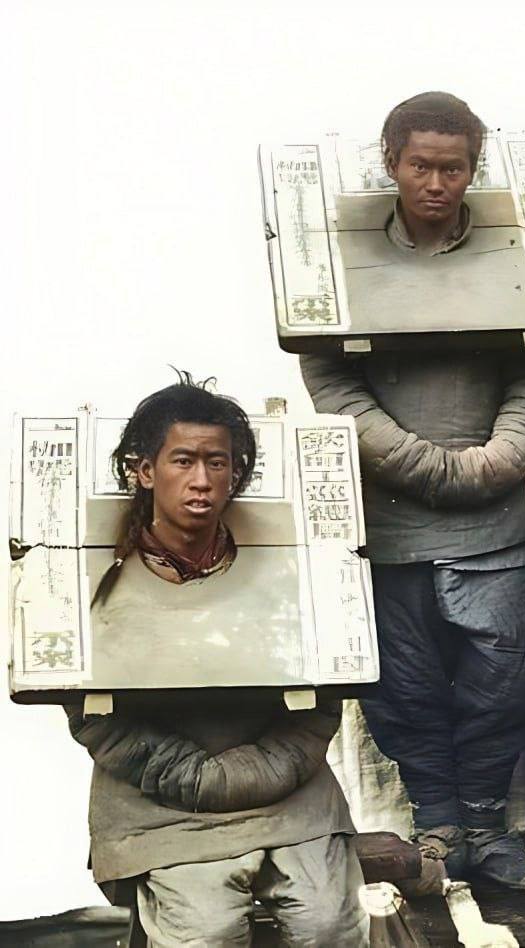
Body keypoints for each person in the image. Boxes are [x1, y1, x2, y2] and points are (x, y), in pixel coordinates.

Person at [301, 91, 525, 890]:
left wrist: (496, 461)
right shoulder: (339, 263)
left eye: (453, 169)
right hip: (392, 522)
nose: (437, 184)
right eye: (421, 165)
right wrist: (424, 465)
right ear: (391, 163)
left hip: (495, 519)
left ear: (472, 171)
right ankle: (439, 828)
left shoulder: (514, 258)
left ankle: (486, 822)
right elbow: (330, 381)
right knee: (404, 688)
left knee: (503, 683)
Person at [67, 376, 365, 946]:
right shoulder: (90, 575)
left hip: (287, 788)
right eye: (183, 461)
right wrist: (200, 779)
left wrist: (260, 771)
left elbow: (326, 695)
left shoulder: (293, 567)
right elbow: (93, 716)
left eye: (217, 463)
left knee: (327, 925)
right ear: (145, 471)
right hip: (160, 797)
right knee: (206, 934)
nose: (202, 480)